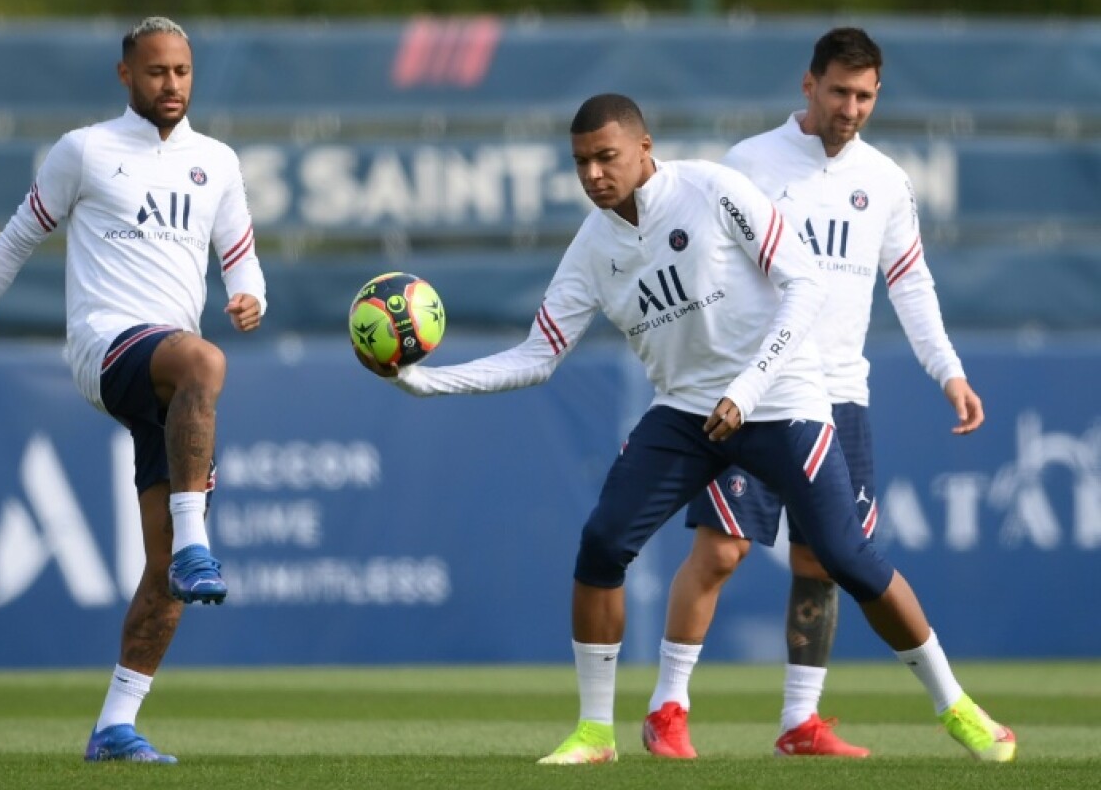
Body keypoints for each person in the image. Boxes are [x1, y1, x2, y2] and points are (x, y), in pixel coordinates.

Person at [355, 92, 1014, 765]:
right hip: (686, 412)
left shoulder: (713, 189)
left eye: (605, 157)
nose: (592, 175)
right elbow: (537, 356)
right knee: (603, 543)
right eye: (580, 162)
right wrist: (421, 381)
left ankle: (956, 706)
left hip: (781, 397)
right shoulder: (591, 248)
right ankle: (594, 732)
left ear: (644, 148)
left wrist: (748, 387)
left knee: (846, 558)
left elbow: (806, 284)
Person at [640, 26, 987, 761]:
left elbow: (911, 283)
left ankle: (801, 722)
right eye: (839, 91)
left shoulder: (887, 182)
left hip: (840, 396)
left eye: (864, 95)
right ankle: (667, 706)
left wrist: (948, 371)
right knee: (724, 547)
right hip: (758, 392)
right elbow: (703, 275)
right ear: (809, 84)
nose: (851, 107)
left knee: (822, 562)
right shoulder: (752, 165)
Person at [0, 16, 266, 764]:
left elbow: (242, 261)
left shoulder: (217, 162)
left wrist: (251, 298)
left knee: (164, 570)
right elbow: (17, 237)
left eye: (181, 71)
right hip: (107, 347)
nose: (171, 84)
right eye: (156, 72)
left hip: (169, 375)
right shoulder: (85, 151)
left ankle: (116, 725)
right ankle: (199, 543)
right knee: (206, 366)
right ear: (125, 76)